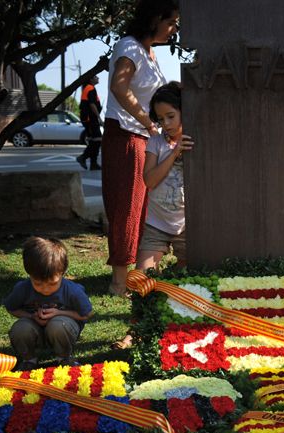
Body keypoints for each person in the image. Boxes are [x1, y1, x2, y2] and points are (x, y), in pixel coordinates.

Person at [102, 0, 179, 296]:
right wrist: (149, 123)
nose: (173, 29)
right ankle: (118, 283)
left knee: (143, 210)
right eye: (171, 22)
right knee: (127, 210)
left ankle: (138, 274)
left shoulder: (151, 54)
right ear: (155, 18)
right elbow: (119, 87)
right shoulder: (130, 46)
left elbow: (155, 92)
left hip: (142, 138)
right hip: (125, 136)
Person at [4, 237, 93, 370]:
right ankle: (29, 360)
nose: (45, 288)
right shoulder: (23, 288)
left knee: (58, 325)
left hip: (63, 329)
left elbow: (87, 314)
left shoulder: (72, 291)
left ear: (62, 272)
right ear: (29, 274)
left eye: (52, 283)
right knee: (20, 328)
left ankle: (65, 358)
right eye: (38, 283)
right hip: (35, 327)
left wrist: (59, 313)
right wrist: (32, 316)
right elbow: (11, 308)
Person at [136, 81, 193, 271]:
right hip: (157, 224)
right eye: (160, 119)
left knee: (190, 274)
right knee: (141, 279)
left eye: (171, 116)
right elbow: (149, 180)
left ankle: (173, 272)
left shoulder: (193, 140)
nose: (165, 124)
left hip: (187, 225)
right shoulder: (156, 142)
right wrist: (174, 153)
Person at [76, 74, 103, 171]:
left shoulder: (89, 88)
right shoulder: (90, 88)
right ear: (91, 79)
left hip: (90, 119)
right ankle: (83, 157)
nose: (98, 78)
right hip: (90, 119)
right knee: (98, 139)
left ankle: (93, 164)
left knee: (94, 140)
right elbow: (92, 104)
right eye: (96, 77)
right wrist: (99, 117)